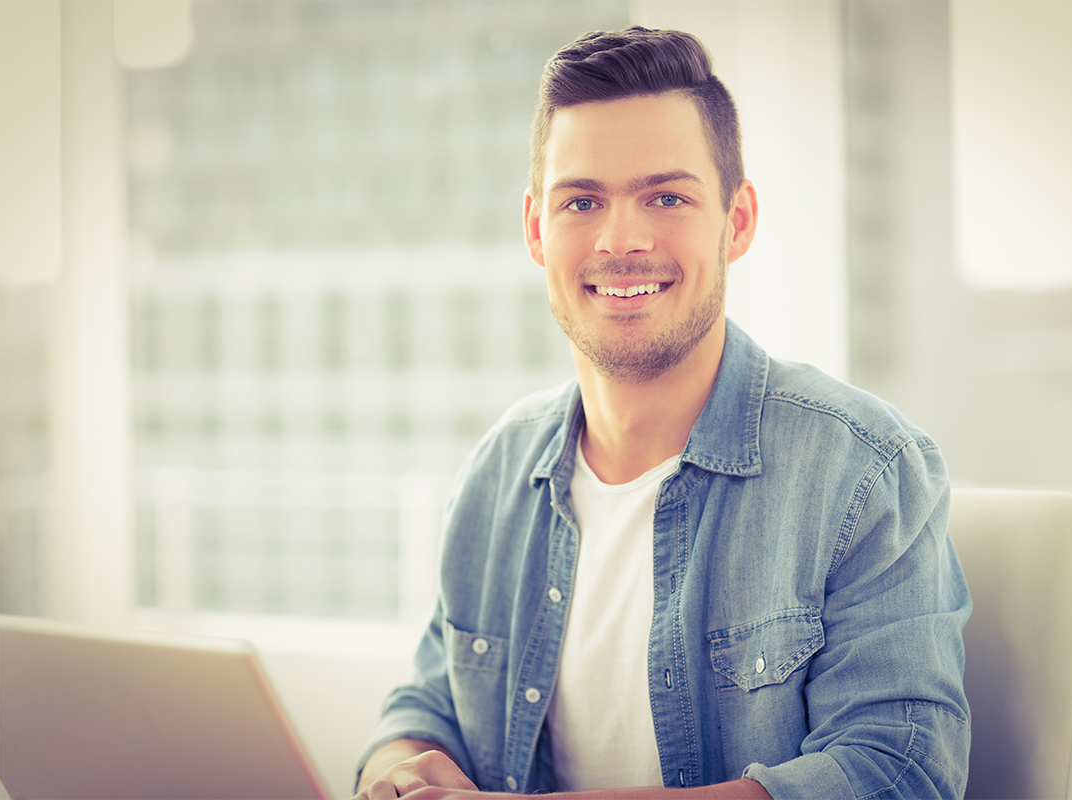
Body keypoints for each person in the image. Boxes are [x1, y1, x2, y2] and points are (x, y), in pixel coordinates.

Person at [354, 26, 971, 800]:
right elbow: (430, 700)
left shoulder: (863, 470)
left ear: (737, 221)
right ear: (536, 230)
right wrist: (394, 775)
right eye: (581, 200)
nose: (622, 239)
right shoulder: (497, 472)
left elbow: (897, 772)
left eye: (667, 197)